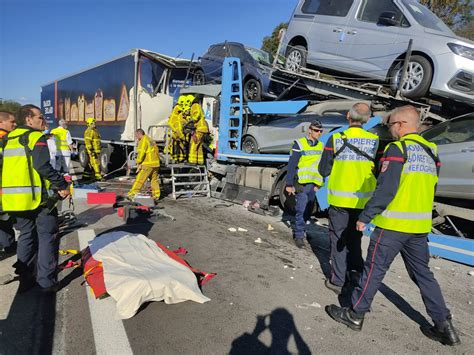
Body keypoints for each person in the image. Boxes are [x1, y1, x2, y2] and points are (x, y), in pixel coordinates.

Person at [325, 106, 460, 346]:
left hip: (393, 225)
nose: (390, 129)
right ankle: (445, 326)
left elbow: (386, 189)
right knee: (423, 275)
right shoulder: (432, 151)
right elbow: (432, 188)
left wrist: (366, 216)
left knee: (373, 271)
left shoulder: (397, 149)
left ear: (400, 125)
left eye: (390, 125)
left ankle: (355, 314)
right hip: (418, 228)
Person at [1, 104, 70, 293]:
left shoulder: (7, 139)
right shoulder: (34, 137)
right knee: (47, 237)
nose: (44, 121)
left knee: (26, 237)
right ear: (28, 119)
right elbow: (42, 166)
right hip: (37, 200)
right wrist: (62, 185)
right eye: (40, 117)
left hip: (14, 201)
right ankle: (46, 283)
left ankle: (25, 279)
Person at [319, 102, 379, 294]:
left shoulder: (336, 139)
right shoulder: (375, 140)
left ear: (348, 116)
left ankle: (337, 280)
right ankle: (355, 272)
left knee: (339, 239)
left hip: (340, 200)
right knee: (355, 238)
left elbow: (323, 169)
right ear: (368, 119)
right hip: (363, 201)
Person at [285, 120, 324, 248]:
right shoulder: (299, 144)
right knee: (301, 210)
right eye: (316, 130)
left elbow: (322, 166)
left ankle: (301, 229)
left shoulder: (321, 146)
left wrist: (320, 184)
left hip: (313, 185)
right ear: (309, 130)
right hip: (301, 183)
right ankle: (299, 235)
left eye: (320, 131)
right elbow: (292, 165)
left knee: (308, 210)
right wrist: (289, 183)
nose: (319, 133)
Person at [127, 129, 160, 203]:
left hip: (148, 164)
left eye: (136, 135)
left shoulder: (143, 140)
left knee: (140, 179)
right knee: (154, 180)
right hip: (156, 163)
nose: (136, 137)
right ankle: (156, 195)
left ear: (139, 134)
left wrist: (138, 162)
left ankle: (133, 193)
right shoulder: (150, 139)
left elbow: (141, 153)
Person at [0, 111, 17, 258]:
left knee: (5, 220)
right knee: (5, 218)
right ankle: (9, 246)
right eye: (12, 122)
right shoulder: (6, 139)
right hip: (3, 188)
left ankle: (9, 245)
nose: (15, 124)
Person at [168, 96, 187, 162]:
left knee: (177, 147)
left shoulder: (176, 116)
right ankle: (176, 159)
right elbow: (177, 129)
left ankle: (178, 158)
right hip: (174, 134)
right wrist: (183, 138)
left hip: (175, 134)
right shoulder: (176, 117)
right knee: (176, 147)